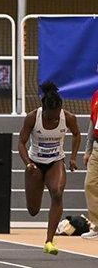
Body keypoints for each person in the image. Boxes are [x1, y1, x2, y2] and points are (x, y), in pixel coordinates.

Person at [18, 82, 80, 254]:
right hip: (35, 164)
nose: (53, 118)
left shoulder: (68, 117)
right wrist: (28, 163)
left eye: (56, 115)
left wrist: (73, 157)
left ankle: (49, 241)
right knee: (33, 210)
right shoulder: (32, 117)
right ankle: (37, 212)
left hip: (56, 161)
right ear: (43, 109)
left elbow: (76, 134)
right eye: (50, 116)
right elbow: (21, 143)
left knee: (57, 193)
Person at [83, 85, 98, 239]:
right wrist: (88, 150)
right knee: (90, 184)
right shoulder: (96, 95)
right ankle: (97, 226)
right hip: (97, 148)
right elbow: (92, 123)